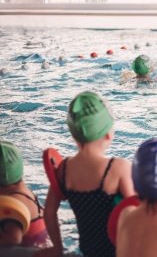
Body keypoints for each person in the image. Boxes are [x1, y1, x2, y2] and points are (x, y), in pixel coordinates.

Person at [44, 91, 135, 257]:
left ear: (73, 135)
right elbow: (138, 212)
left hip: (88, 251)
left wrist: (58, 249)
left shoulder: (63, 170)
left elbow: (49, 211)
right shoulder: (118, 168)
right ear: (108, 133)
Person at [0, 140, 49, 248]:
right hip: (41, 245)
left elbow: (14, 239)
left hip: (28, 250)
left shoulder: (13, 203)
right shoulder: (25, 192)